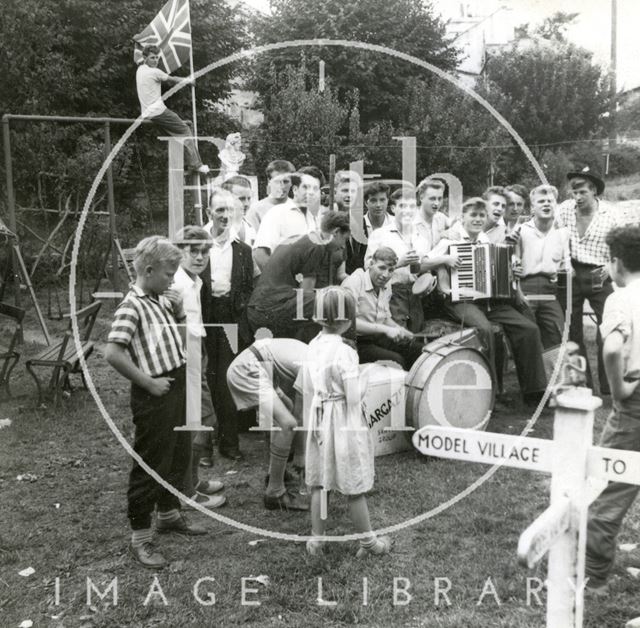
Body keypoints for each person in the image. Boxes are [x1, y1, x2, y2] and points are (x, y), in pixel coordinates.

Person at [105, 236, 206, 570]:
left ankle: (169, 514)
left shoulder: (159, 299)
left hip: (173, 384)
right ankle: (141, 537)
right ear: (148, 271)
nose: (172, 280)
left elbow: (173, 337)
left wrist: (177, 311)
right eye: (168, 274)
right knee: (151, 462)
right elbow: (113, 352)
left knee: (177, 452)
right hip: (154, 393)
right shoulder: (131, 306)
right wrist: (148, 382)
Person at [297, 287, 392, 557]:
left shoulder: (312, 346)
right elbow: (352, 397)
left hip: (320, 418)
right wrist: (363, 378)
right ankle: (369, 543)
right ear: (348, 321)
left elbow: (306, 386)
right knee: (354, 485)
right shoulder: (345, 352)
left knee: (321, 483)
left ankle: (317, 540)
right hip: (344, 422)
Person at [428, 198, 547, 404]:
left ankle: (534, 391)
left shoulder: (484, 239)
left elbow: (495, 273)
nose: (477, 219)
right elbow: (423, 262)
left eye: (481, 215)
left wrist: (512, 272)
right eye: (473, 215)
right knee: (485, 330)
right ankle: (491, 392)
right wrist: (445, 259)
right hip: (460, 301)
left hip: (489, 301)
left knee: (529, 329)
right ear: (463, 217)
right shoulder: (449, 241)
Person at [585, 225, 640, 595]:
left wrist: (619, 390)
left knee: (607, 488)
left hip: (635, 405)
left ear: (617, 262)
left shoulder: (621, 298)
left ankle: (595, 578)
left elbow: (610, 350)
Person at [171, 226, 226, 508]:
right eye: (193, 251)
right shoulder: (176, 284)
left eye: (205, 252)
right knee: (199, 420)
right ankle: (187, 490)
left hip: (197, 347)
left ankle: (192, 480)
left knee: (202, 419)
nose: (200, 257)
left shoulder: (195, 281)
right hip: (185, 353)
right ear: (179, 252)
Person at [202, 189, 257, 461]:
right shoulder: (194, 243)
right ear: (208, 212)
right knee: (201, 376)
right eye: (219, 210)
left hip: (230, 320)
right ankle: (200, 444)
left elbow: (249, 286)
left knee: (226, 376)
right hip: (199, 316)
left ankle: (229, 441)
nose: (225, 215)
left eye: (229, 210)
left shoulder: (244, 250)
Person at [227, 333, 310, 511]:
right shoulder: (315, 366)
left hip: (259, 367)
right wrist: (301, 454)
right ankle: (275, 492)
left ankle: (275, 474)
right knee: (288, 423)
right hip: (247, 368)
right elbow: (301, 415)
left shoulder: (315, 354)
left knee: (284, 412)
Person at [556, 167, 620, 395]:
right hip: (570, 272)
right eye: (574, 192)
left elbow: (624, 245)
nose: (577, 197)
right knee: (572, 331)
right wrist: (564, 263)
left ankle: (608, 385)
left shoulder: (611, 215)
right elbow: (552, 236)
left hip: (599, 274)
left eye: (582, 191)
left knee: (611, 326)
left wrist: (611, 268)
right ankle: (583, 386)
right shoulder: (563, 211)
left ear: (593, 190)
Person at [247, 212, 351, 342]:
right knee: (334, 302)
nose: (342, 246)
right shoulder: (317, 246)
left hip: (259, 308)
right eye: (345, 239)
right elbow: (306, 291)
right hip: (272, 308)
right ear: (336, 232)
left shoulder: (304, 239)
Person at [342, 246, 423, 370]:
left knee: (418, 350)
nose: (385, 275)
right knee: (396, 361)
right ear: (371, 264)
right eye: (381, 268)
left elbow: (385, 317)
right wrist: (385, 330)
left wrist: (399, 329)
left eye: (391, 270)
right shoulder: (354, 282)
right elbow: (348, 323)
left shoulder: (386, 284)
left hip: (377, 338)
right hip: (355, 342)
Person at [364, 189, 431, 332]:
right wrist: (399, 262)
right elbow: (368, 268)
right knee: (398, 338)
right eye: (402, 206)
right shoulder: (380, 235)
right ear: (393, 208)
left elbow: (424, 269)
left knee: (416, 336)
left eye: (412, 207)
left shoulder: (422, 238)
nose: (407, 211)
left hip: (415, 294)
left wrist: (426, 279)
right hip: (390, 293)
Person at [511, 185, 569, 349]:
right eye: (541, 201)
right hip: (526, 289)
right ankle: (531, 373)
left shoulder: (563, 233)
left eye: (550, 201)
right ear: (532, 207)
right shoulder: (521, 230)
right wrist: (518, 293)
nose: (546, 204)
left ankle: (552, 373)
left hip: (550, 290)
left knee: (558, 334)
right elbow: (513, 263)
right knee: (529, 337)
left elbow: (565, 264)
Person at [136, 45, 209, 175]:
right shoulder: (154, 72)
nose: (155, 61)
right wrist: (188, 81)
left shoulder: (140, 70)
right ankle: (196, 165)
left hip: (147, 112)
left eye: (157, 58)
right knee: (185, 130)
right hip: (158, 111)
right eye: (152, 58)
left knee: (177, 134)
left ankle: (188, 164)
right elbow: (173, 80)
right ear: (145, 58)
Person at [253, 166, 325, 270]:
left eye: (315, 188)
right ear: (295, 189)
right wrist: (277, 280)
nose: (311, 192)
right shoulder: (278, 213)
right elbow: (260, 254)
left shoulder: (316, 219)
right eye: (306, 187)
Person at [343, 181, 392, 275]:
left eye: (382, 200)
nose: (378, 205)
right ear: (366, 202)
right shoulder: (357, 227)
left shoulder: (395, 225)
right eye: (373, 200)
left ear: (388, 201)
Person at [245, 160, 296, 233]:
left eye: (286, 181)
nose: (281, 186)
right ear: (269, 181)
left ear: (291, 182)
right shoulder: (256, 210)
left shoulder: (298, 208)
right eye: (277, 181)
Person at [414, 177, 449, 252]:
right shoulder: (411, 221)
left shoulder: (441, 217)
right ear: (421, 198)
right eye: (432, 199)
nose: (437, 203)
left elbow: (459, 225)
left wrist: (449, 233)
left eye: (440, 199)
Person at [221, 175, 257, 246]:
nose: (246, 204)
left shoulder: (251, 227)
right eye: (241, 199)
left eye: (249, 198)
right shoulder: (216, 229)